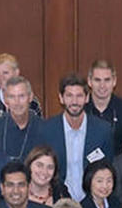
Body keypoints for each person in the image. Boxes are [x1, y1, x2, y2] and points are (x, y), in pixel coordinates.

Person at [36, 73, 114, 201]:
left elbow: (108, 168)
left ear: (87, 98)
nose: (74, 101)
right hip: (57, 200)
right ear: (61, 98)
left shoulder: (103, 131)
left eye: (79, 96)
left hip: (93, 201)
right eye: (69, 96)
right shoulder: (46, 130)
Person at [86, 59, 122, 155]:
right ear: (89, 81)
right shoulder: (81, 109)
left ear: (114, 81)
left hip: (117, 168)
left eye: (107, 80)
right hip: (86, 168)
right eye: (97, 80)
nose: (102, 85)